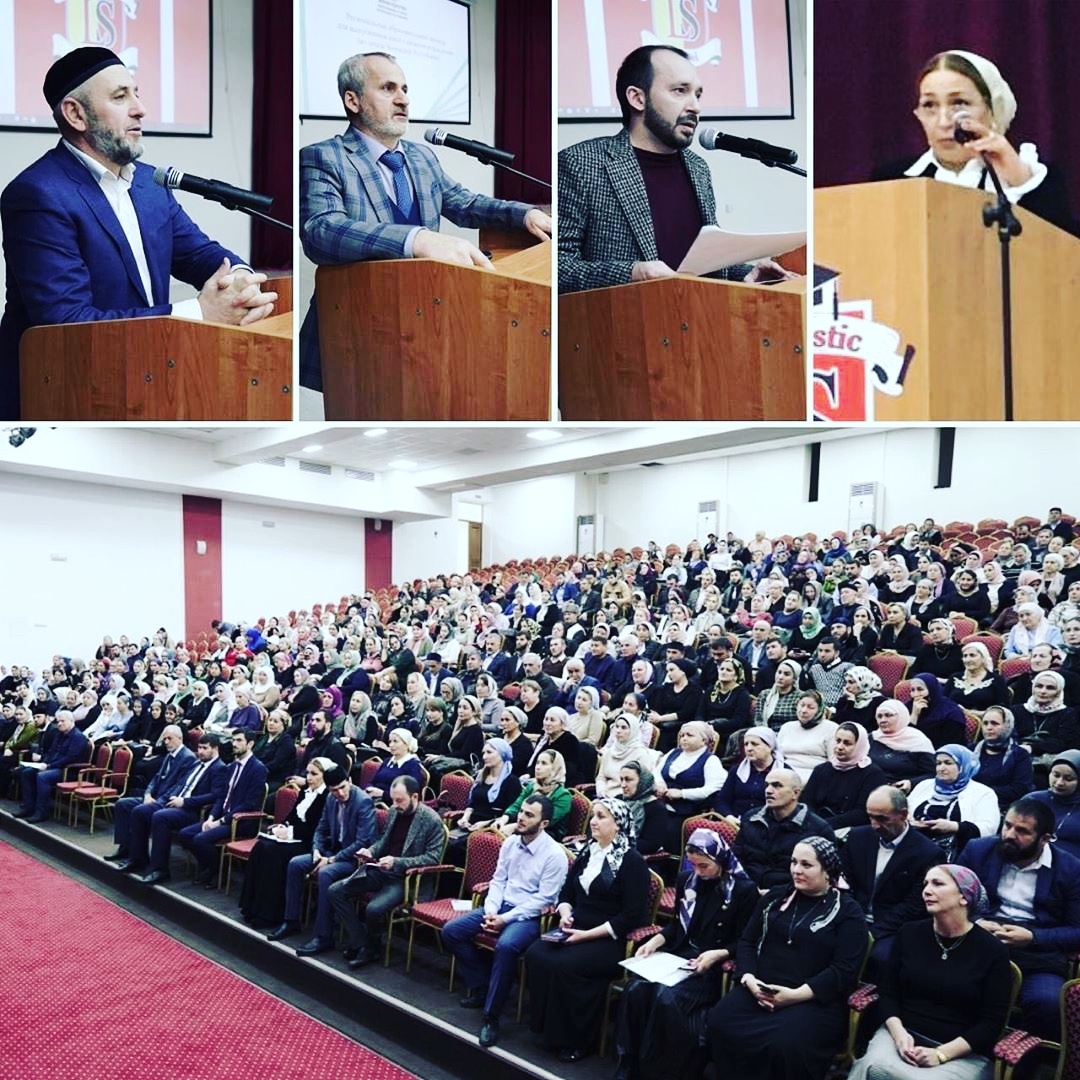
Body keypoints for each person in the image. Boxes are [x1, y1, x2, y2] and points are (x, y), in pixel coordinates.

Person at [0, 47, 278, 419]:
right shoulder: (38, 194)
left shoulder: (149, 183)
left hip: (146, 371)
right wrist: (201, 312)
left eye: (136, 93)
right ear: (75, 114)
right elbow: (66, 322)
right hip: (65, 389)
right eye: (120, 97)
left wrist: (241, 280)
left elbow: (201, 255)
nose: (140, 109)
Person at [298, 51, 551, 392]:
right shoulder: (324, 156)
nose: (403, 99)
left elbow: (464, 203)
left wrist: (524, 213)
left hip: (426, 316)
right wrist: (416, 239)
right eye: (388, 88)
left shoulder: (421, 157)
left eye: (405, 89)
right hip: (357, 327)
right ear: (352, 100)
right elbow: (320, 230)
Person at [557, 45, 790, 294]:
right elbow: (557, 267)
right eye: (680, 91)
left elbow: (701, 261)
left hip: (703, 312)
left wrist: (746, 273)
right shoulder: (581, 163)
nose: (695, 107)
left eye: (698, 95)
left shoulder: (698, 168)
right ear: (637, 98)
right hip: (628, 315)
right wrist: (632, 273)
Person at [706, 837, 867, 1080]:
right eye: (793, 862)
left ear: (827, 871)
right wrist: (749, 980)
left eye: (806, 864)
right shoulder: (774, 898)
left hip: (812, 1001)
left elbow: (843, 970)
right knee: (720, 1021)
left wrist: (794, 995)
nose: (796, 870)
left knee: (785, 1045)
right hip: (759, 989)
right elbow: (747, 941)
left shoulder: (848, 912)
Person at [871, 50, 1074, 237]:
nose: (943, 122)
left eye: (959, 103)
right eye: (929, 105)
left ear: (991, 108)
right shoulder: (890, 180)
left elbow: (1065, 253)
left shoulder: (1038, 180)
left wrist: (1019, 180)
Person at [615, 828, 758, 1080]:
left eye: (704, 866)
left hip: (711, 963)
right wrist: (656, 940)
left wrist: (717, 954)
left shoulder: (743, 890)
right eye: (693, 865)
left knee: (666, 997)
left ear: (720, 859)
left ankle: (657, 1070)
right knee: (635, 989)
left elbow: (745, 940)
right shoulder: (687, 879)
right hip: (679, 954)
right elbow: (676, 925)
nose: (698, 872)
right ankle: (629, 1061)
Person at [846, 863, 1012, 1080]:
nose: (926, 890)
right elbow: (888, 993)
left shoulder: (992, 951)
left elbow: (991, 1023)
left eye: (938, 884)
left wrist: (941, 1054)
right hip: (902, 1035)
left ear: (964, 897)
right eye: (925, 884)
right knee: (873, 1067)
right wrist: (899, 1035)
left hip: (962, 1051)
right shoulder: (908, 934)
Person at [523, 798, 650, 1063]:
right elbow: (566, 893)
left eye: (601, 817)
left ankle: (578, 1040)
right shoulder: (588, 851)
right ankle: (546, 1029)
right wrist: (565, 913)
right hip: (577, 926)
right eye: (593, 815)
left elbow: (632, 915)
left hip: (609, 938)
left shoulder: (632, 862)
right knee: (536, 953)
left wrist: (587, 935)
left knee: (567, 966)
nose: (593, 821)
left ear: (618, 824)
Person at [442, 795, 569, 1049]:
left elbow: (544, 899)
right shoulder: (510, 842)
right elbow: (498, 881)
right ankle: (482, 985)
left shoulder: (555, 855)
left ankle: (491, 1016)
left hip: (529, 916)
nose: (520, 818)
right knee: (451, 931)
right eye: (521, 811)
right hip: (500, 906)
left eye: (529, 815)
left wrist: (504, 919)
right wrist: (491, 911)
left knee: (506, 946)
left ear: (544, 823)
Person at [959, 797, 1080, 1038]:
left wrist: (1033, 937)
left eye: (1022, 831)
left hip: (1037, 954)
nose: (1009, 835)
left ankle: (1017, 1057)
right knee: (946, 981)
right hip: (977, 941)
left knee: (1047, 1003)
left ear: (1045, 839)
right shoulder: (978, 850)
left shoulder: (1071, 869)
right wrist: (976, 923)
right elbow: (951, 896)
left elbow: (1077, 930)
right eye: (1007, 825)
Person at [328, 775, 446, 966]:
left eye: (400, 800)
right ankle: (360, 942)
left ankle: (372, 950)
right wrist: (370, 851)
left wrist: (397, 862)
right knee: (336, 891)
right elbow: (383, 841)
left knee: (373, 909)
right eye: (393, 800)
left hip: (404, 879)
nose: (395, 805)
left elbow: (432, 858)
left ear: (415, 797)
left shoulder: (432, 820)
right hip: (381, 869)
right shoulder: (394, 811)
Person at [265, 766, 378, 951]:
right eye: (334, 790)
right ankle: (291, 920)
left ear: (350, 781)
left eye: (343, 787)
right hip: (331, 852)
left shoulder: (363, 801)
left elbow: (361, 842)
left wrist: (331, 859)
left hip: (354, 859)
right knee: (295, 864)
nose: (340, 793)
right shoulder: (330, 798)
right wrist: (317, 849)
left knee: (326, 873)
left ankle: (323, 936)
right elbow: (321, 828)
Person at [841, 787, 940, 973]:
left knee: (883, 959)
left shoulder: (927, 853)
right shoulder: (857, 837)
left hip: (894, 927)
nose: (874, 825)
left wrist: (873, 932)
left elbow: (915, 905)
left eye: (882, 819)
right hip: (853, 916)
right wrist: (853, 920)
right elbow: (845, 883)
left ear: (903, 815)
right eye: (870, 817)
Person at [238, 756, 332, 928]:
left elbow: (317, 828)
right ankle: (251, 907)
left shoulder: (327, 797)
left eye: (314, 774)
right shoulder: (305, 791)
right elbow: (292, 816)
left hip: (309, 843)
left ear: (325, 775)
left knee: (273, 853)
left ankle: (269, 914)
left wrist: (288, 832)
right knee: (261, 846)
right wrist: (283, 825)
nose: (309, 778)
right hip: (292, 838)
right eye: (308, 773)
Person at [176, 728, 269, 886]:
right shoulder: (232, 766)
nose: (234, 744)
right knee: (185, 834)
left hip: (240, 822)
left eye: (239, 740)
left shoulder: (258, 769)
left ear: (250, 744)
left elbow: (249, 804)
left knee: (200, 839)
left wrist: (220, 821)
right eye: (233, 740)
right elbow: (222, 796)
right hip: (222, 817)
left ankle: (217, 871)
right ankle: (211, 867)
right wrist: (212, 817)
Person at [104, 724, 195, 867]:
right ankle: (125, 848)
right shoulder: (169, 755)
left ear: (180, 738)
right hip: (155, 797)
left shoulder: (188, 758)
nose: (166, 742)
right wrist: (147, 794)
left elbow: (179, 786)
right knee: (122, 804)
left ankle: (138, 858)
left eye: (169, 739)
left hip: (167, 802)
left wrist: (158, 801)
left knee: (139, 811)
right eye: (164, 739)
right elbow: (156, 778)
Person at [734, 769, 835, 891]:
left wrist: (776, 893)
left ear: (795, 793)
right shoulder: (751, 818)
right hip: (747, 890)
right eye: (766, 785)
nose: (768, 790)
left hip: (791, 895)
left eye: (777, 786)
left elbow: (823, 875)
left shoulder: (818, 829)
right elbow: (736, 858)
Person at [907, 745, 1001, 862]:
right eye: (938, 763)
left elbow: (988, 829)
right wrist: (910, 821)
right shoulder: (924, 785)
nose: (941, 768)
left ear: (963, 766)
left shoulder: (983, 793)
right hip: (916, 846)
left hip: (959, 853)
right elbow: (904, 810)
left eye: (948, 763)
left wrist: (953, 827)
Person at [653, 720, 726, 852]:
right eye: (682, 735)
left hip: (688, 810)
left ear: (703, 740)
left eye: (689, 735)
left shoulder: (710, 760)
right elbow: (656, 771)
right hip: (661, 804)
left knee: (667, 830)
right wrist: (659, 783)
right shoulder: (673, 753)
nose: (684, 738)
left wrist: (682, 794)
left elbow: (713, 789)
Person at [802, 722, 889, 831]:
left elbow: (862, 813)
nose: (839, 747)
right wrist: (815, 823)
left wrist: (824, 825)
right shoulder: (821, 770)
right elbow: (807, 802)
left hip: (850, 830)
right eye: (838, 741)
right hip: (814, 826)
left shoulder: (873, 774)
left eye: (847, 743)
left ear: (859, 746)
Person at [13, 709, 90, 823]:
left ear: (71, 721)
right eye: (58, 721)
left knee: (43, 777)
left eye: (62, 721)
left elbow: (70, 758)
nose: (59, 724)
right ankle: (28, 807)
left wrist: (49, 766)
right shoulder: (59, 734)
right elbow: (51, 752)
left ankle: (41, 812)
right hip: (53, 766)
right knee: (27, 772)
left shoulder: (78, 737)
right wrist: (44, 763)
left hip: (68, 771)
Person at [493, 749, 572, 841]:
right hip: (523, 824)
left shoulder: (563, 795)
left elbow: (546, 821)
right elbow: (517, 805)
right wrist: (504, 819)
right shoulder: (532, 786)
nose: (538, 767)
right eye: (537, 763)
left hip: (547, 833)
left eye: (544, 763)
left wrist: (515, 827)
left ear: (555, 768)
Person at [972, 706, 1034, 812]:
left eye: (995, 723)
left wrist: (983, 792)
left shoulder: (1020, 754)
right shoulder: (971, 750)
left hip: (1003, 807)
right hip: (969, 802)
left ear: (1007, 726)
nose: (989, 727)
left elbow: (1020, 788)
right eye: (985, 723)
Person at [714, 727, 782, 821]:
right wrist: (729, 817)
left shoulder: (784, 773)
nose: (749, 748)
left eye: (755, 744)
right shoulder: (737, 770)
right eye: (746, 744)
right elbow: (722, 800)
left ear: (770, 746)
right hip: (734, 822)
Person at [869, 699, 936, 793]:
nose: (883, 720)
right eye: (879, 716)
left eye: (888, 715)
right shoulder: (872, 738)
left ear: (901, 716)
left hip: (902, 792)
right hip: (870, 789)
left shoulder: (917, 741)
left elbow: (933, 774)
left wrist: (911, 783)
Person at [777, 691, 839, 783]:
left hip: (815, 777)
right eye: (802, 705)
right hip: (785, 774)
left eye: (811, 707)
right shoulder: (787, 727)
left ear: (819, 710)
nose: (804, 710)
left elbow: (833, 761)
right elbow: (777, 756)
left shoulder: (831, 728)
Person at [946, 641, 1008, 713]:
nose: (967, 660)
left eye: (972, 655)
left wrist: (971, 713)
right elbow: (942, 702)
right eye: (965, 656)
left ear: (983, 658)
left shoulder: (997, 680)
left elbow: (1002, 709)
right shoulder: (954, 677)